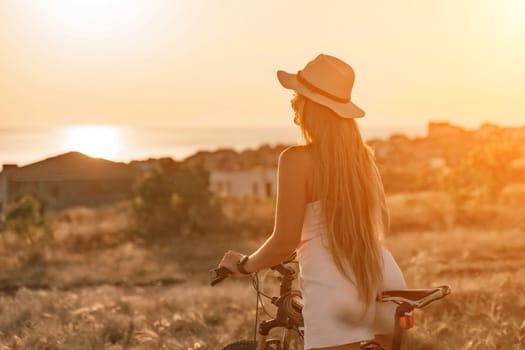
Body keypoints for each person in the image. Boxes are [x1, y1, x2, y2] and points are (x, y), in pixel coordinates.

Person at [218, 54, 407, 350]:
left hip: (335, 287)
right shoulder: (364, 160)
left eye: (296, 97)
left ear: (309, 106)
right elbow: (381, 223)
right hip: (385, 278)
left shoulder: (296, 160)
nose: (294, 105)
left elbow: (284, 240)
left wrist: (245, 265)